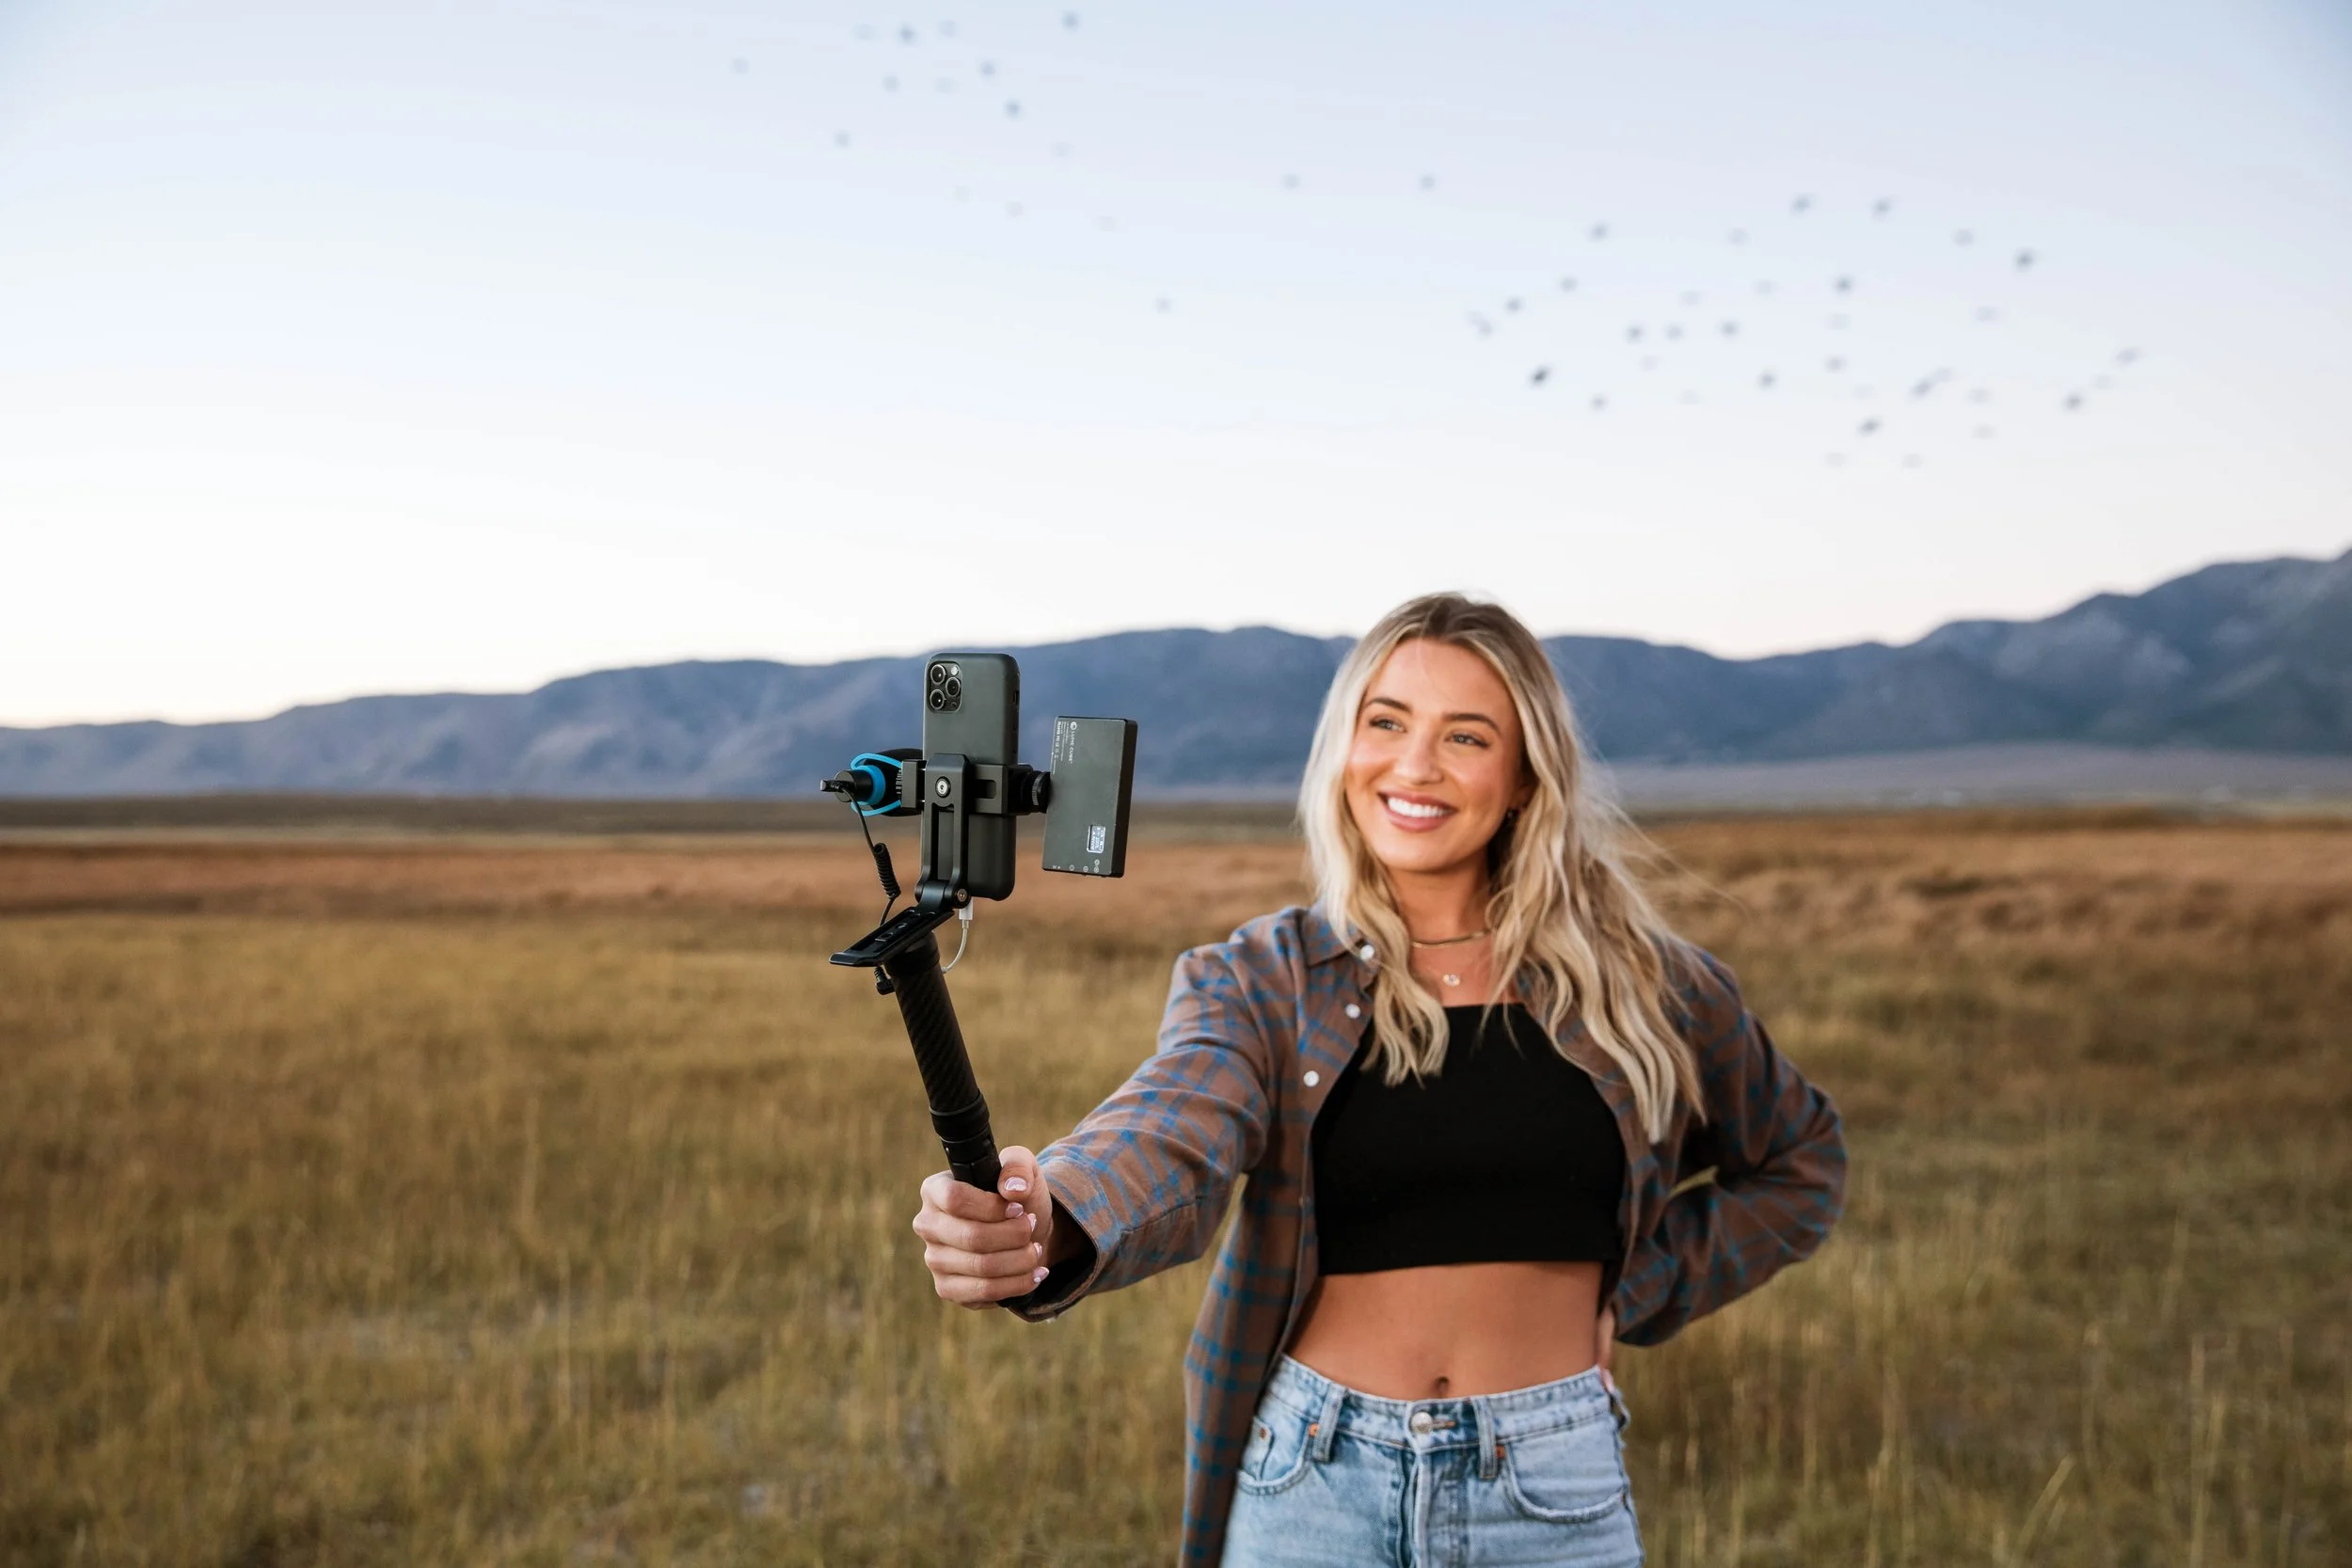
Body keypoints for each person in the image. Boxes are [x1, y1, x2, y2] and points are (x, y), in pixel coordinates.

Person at [911, 593, 1847, 1567]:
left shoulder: (1649, 985)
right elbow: (1171, 1129)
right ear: (1344, 745)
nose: (1413, 766)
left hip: (1550, 1477)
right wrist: (1053, 1208)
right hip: (1309, 1474)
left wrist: (1640, 1282)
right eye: (1386, 721)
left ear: (1526, 776)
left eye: (1467, 735)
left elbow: (1801, 1159)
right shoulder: (1265, 976)